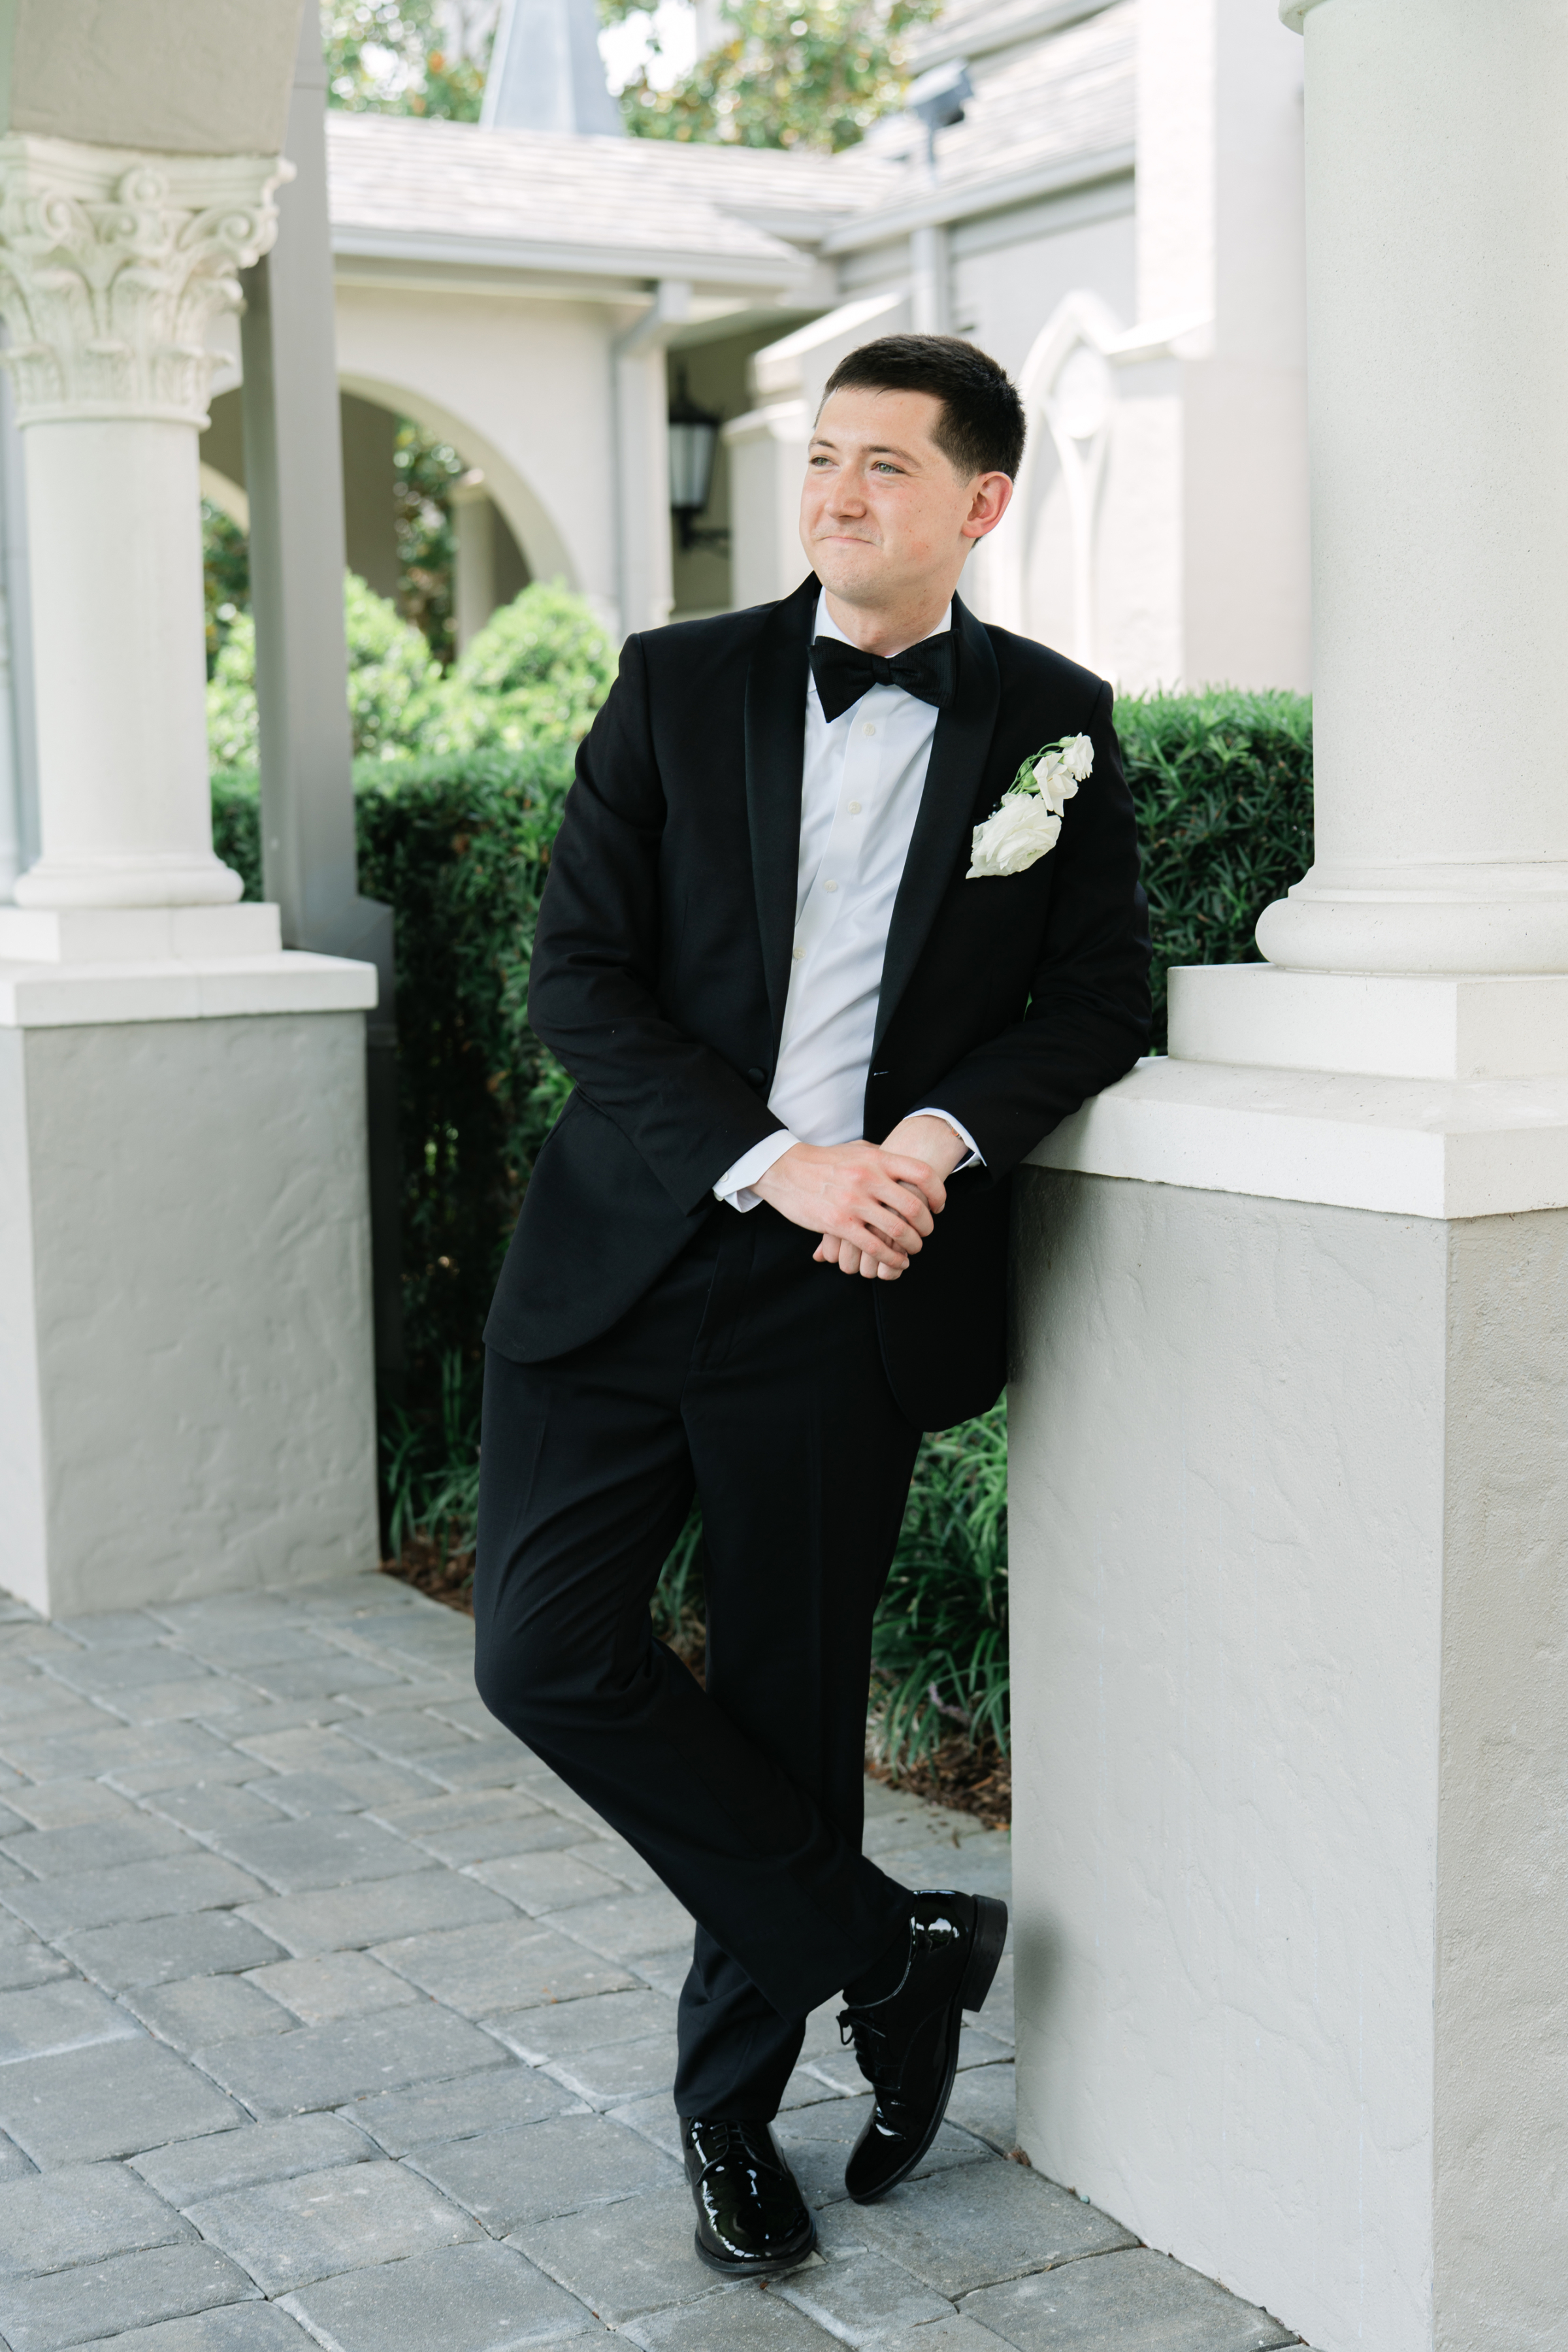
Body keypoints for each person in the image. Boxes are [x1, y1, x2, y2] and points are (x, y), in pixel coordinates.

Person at [472, 333, 1150, 2277]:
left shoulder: (1057, 721)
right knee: (543, 1657)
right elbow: (580, 982)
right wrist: (788, 1159)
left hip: (846, 1304)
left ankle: (728, 2123)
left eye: (885, 468)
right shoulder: (671, 686)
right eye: (823, 460)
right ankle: (897, 1952)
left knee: (781, 1716)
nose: (840, 496)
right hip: (624, 1268)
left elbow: (1098, 997)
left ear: (979, 504)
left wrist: (924, 1146)